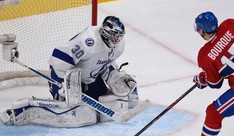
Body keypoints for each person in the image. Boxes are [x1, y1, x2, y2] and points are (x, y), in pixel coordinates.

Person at [0, 16, 139, 127]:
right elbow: (59, 57)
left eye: (119, 36)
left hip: (89, 78)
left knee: (102, 103)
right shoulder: (89, 41)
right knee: (72, 110)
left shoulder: (119, 46)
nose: (117, 39)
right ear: (105, 32)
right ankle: (26, 107)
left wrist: (115, 75)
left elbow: (105, 62)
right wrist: (65, 83)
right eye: (114, 36)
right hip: (64, 72)